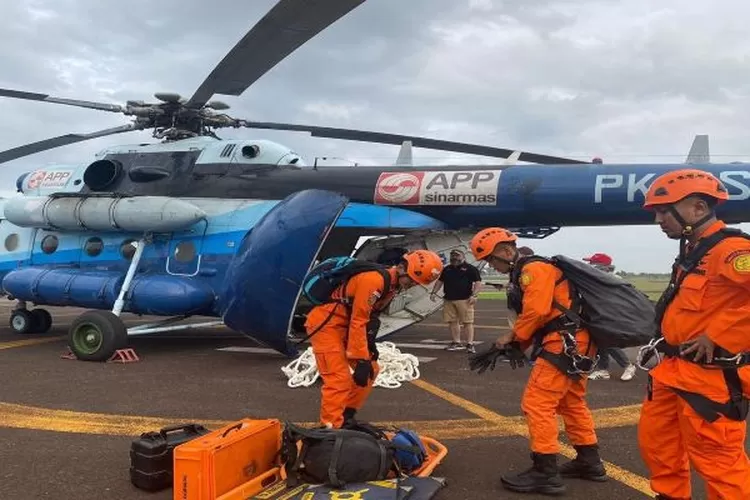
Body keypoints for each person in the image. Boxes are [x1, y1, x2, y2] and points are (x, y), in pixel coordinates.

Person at [638, 168, 750, 499]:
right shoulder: (693, 250)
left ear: (698, 208)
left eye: (664, 210)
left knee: (719, 464)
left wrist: (718, 334)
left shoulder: (731, 251)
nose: (659, 219)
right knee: (659, 447)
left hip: (710, 379)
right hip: (672, 370)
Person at [469, 227, 606, 496]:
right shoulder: (535, 268)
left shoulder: (533, 270)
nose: (491, 266)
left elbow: (537, 310)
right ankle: (589, 461)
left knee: (537, 403)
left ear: (507, 252)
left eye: (491, 260)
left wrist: (513, 337)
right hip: (578, 342)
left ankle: (545, 473)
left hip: (565, 342)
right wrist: (520, 342)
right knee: (570, 401)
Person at [304, 250, 444, 429]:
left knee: (372, 370)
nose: (411, 286)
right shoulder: (374, 280)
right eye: (410, 281)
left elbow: (368, 319)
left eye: (415, 284)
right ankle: (330, 430)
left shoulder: (392, 285)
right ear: (401, 268)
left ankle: (346, 416)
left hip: (344, 326)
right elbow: (359, 319)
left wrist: (368, 350)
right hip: (326, 325)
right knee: (339, 379)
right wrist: (360, 357)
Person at [582, 253, 637, 382]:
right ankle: (603, 370)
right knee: (600, 342)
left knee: (608, 341)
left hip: (612, 316)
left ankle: (628, 365)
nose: (589, 266)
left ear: (599, 266)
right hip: (600, 315)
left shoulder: (613, 280)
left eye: (592, 263)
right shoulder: (597, 280)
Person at [429, 249, 482, 353]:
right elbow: (440, 281)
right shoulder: (447, 269)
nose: (454, 258)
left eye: (457, 255)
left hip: (465, 299)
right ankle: (456, 342)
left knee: (467, 322)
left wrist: (474, 295)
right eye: (452, 255)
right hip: (449, 299)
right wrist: (434, 292)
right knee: (452, 322)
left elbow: (478, 283)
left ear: (463, 256)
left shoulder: (470, 269)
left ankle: (470, 344)